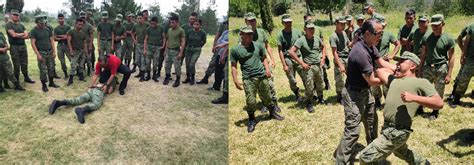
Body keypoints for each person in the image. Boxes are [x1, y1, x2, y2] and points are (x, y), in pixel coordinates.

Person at [358, 51, 442, 164]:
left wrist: (415, 98)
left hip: (397, 131)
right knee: (401, 152)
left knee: (365, 157)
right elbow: (380, 70)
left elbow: (439, 103)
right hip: (387, 128)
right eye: (397, 62)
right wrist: (398, 68)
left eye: (401, 62)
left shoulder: (421, 82)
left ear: (413, 66)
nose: (397, 64)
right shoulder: (394, 80)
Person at [334, 18, 396, 164]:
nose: (380, 37)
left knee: (371, 122)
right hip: (353, 95)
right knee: (353, 131)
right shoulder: (360, 53)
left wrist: (398, 70)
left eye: (382, 33)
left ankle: (372, 153)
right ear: (368, 33)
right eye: (378, 34)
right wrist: (392, 80)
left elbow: (381, 62)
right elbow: (373, 80)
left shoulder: (370, 45)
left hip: (365, 92)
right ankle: (341, 161)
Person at [231, 26, 284, 133]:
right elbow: (233, 65)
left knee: (267, 96)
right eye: (247, 34)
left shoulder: (258, 45)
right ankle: (251, 120)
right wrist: (235, 80)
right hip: (248, 78)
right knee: (251, 101)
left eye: (251, 34)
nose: (250, 36)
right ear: (241, 35)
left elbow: (264, 58)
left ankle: (272, 113)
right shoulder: (235, 49)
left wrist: (267, 69)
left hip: (261, 75)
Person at [418, 14, 455, 120]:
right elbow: (423, 54)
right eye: (432, 25)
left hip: (441, 68)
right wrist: (420, 69)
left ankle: (435, 111)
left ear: (443, 24)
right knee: (423, 88)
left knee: (439, 90)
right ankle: (420, 107)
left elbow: (452, 57)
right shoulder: (427, 37)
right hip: (428, 67)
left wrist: (449, 74)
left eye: (436, 25)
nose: (434, 27)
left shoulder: (448, 38)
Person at [243, 12, 280, 113]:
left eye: (254, 20)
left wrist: (272, 59)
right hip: (253, 64)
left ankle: (274, 102)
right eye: (250, 20)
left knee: (270, 83)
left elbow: (268, 46)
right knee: (259, 85)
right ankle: (265, 103)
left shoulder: (262, 32)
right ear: (246, 21)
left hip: (265, 62)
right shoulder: (242, 34)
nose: (252, 22)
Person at [288, 21, 327, 112]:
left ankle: (320, 98)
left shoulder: (317, 38)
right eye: (309, 29)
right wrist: (302, 63)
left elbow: (324, 47)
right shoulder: (301, 40)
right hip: (308, 67)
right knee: (309, 86)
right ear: (305, 29)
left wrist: (323, 58)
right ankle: (309, 102)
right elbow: (291, 51)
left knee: (320, 83)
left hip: (318, 65)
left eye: (313, 28)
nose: (311, 30)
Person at [48, 78, 117, 124]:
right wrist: (112, 87)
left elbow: (95, 84)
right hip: (99, 93)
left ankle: (60, 102)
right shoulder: (112, 80)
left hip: (92, 90)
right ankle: (82, 110)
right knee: (96, 104)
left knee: (78, 100)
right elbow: (109, 91)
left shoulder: (103, 77)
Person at [372, 14, 401, 109]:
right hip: (373, 64)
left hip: (385, 64)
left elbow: (397, 44)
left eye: (384, 26)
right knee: (375, 84)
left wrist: (392, 55)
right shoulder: (371, 35)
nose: (382, 27)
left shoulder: (388, 34)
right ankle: (377, 101)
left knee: (386, 84)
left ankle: (388, 102)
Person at [276, 14, 304, 102]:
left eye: (290, 22)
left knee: (306, 75)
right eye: (287, 22)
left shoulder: (297, 32)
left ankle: (310, 93)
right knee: (291, 78)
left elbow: (303, 45)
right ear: (283, 23)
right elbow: (280, 50)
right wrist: (284, 64)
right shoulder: (280, 35)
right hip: (288, 58)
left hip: (298, 56)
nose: (289, 24)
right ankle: (297, 94)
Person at [30, 15, 59, 92]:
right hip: (41, 52)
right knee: (43, 70)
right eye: (41, 23)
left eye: (43, 23)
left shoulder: (47, 29)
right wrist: (38, 54)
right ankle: (44, 85)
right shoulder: (34, 31)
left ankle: (51, 82)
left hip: (49, 51)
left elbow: (51, 40)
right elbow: (33, 43)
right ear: (37, 23)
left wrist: (54, 51)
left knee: (51, 67)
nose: (43, 24)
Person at [5, 9, 35, 84]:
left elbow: (27, 36)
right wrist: (22, 34)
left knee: (25, 63)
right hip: (14, 47)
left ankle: (26, 77)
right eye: (14, 15)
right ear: (11, 15)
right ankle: (17, 80)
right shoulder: (8, 25)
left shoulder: (21, 25)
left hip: (23, 46)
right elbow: (13, 35)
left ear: (19, 16)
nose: (15, 16)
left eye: (17, 15)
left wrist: (18, 35)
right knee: (16, 64)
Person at [449, 23, 474, 107]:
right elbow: (465, 42)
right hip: (470, 59)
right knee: (463, 79)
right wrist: (463, 55)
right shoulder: (472, 27)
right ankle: (456, 99)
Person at [197, 18, 228, 84]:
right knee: (213, 63)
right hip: (220, 47)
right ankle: (206, 78)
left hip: (227, 48)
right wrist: (214, 45)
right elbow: (218, 34)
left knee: (225, 68)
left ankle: (221, 84)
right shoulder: (224, 24)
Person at [330, 16, 350, 104]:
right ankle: (340, 96)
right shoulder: (333, 36)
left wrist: (355, 41)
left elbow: (349, 44)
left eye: (344, 24)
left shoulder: (344, 33)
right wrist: (340, 65)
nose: (343, 26)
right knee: (340, 79)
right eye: (341, 24)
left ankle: (348, 93)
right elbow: (334, 53)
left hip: (347, 57)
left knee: (351, 76)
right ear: (336, 24)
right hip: (340, 59)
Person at [163, 14, 185, 87]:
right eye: (170, 22)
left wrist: (181, 52)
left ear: (177, 22)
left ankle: (178, 80)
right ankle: (167, 77)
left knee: (177, 67)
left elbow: (183, 41)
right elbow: (167, 40)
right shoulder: (169, 30)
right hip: (169, 50)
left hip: (176, 51)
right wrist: (165, 50)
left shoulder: (181, 30)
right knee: (166, 65)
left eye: (173, 22)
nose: (171, 24)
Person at [183, 19, 206, 85]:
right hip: (188, 49)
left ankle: (192, 78)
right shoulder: (189, 31)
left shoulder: (202, 33)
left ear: (200, 25)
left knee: (192, 64)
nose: (195, 26)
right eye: (194, 24)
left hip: (196, 49)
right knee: (187, 63)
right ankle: (188, 77)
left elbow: (204, 41)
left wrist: (199, 46)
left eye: (197, 24)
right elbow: (186, 40)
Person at [144, 16, 166, 82]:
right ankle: (148, 75)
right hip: (149, 47)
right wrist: (145, 49)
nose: (153, 25)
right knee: (148, 62)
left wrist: (163, 45)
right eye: (152, 23)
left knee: (155, 63)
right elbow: (145, 39)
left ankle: (154, 76)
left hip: (157, 47)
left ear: (157, 23)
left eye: (154, 24)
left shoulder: (161, 28)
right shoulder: (148, 29)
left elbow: (164, 37)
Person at [67, 18, 88, 86]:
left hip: (82, 50)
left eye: (82, 25)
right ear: (76, 24)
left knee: (81, 64)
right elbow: (69, 41)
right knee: (73, 65)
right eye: (79, 24)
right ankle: (70, 79)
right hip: (74, 51)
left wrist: (85, 51)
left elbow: (84, 42)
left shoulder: (83, 33)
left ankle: (81, 77)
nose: (80, 26)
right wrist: (70, 51)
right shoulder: (71, 32)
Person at [211, 28, 229, 104]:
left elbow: (228, 44)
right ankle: (223, 93)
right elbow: (220, 41)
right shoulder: (226, 32)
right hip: (221, 53)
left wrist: (224, 53)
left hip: (227, 55)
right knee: (221, 72)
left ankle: (225, 96)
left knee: (226, 76)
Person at [132, 12, 150, 81]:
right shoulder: (135, 25)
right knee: (137, 60)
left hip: (145, 44)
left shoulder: (147, 25)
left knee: (143, 61)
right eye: (138, 18)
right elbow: (132, 33)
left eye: (140, 18)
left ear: (143, 18)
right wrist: (134, 40)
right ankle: (140, 72)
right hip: (138, 44)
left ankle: (143, 76)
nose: (139, 20)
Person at [53, 13, 72, 79]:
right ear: (58, 19)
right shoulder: (56, 29)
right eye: (59, 19)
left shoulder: (68, 27)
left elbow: (68, 36)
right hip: (60, 46)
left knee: (71, 59)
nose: (61, 20)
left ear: (64, 18)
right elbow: (54, 38)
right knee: (62, 61)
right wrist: (62, 37)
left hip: (67, 45)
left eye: (62, 18)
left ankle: (74, 71)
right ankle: (66, 74)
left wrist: (59, 36)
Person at [79, 12, 95, 77]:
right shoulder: (78, 24)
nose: (83, 18)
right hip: (80, 44)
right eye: (81, 17)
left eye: (84, 17)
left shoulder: (89, 25)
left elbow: (92, 36)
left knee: (89, 58)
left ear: (86, 17)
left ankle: (89, 71)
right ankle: (82, 71)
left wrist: (90, 45)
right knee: (81, 58)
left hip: (88, 43)